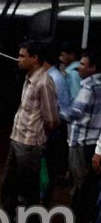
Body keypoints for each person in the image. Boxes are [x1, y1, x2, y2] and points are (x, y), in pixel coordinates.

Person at [0, 41, 59, 223]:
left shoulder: (44, 82)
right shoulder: (28, 79)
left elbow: (52, 117)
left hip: (31, 143)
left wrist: (39, 133)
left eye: (23, 55)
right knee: (8, 186)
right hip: (17, 138)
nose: (19, 59)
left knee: (27, 190)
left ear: (35, 58)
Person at [60, 49, 101, 223]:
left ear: (93, 68)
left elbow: (75, 113)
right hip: (93, 142)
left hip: (83, 142)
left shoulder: (89, 87)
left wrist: (54, 110)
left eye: (83, 64)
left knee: (79, 187)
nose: (79, 68)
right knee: (87, 187)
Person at [42, 44, 72, 206]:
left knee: (47, 168)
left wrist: (49, 119)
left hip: (52, 131)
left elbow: (65, 108)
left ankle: (42, 201)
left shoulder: (55, 79)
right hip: (47, 130)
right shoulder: (49, 76)